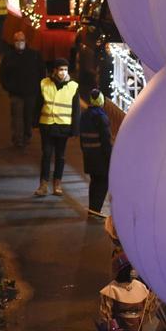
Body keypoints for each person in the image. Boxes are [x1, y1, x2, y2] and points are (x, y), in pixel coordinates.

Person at [35, 60, 79, 196]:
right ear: (54, 70)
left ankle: (57, 184)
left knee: (60, 156)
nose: (63, 72)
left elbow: (76, 110)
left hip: (63, 126)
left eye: (65, 69)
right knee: (46, 155)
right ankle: (43, 185)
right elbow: (38, 104)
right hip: (47, 125)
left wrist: (75, 129)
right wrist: (34, 122)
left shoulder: (73, 86)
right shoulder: (44, 83)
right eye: (60, 69)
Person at [0, 30, 44, 148]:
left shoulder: (34, 55)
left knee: (28, 116)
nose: (19, 42)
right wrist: (9, 87)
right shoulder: (9, 57)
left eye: (21, 40)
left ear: (25, 41)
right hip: (16, 94)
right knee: (17, 117)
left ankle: (27, 135)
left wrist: (38, 88)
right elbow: (3, 74)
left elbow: (41, 72)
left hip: (31, 92)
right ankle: (18, 139)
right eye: (17, 40)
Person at [78, 88, 113, 217]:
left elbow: (81, 138)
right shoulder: (101, 117)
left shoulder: (85, 115)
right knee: (103, 182)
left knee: (94, 182)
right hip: (100, 157)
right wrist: (111, 157)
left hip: (89, 154)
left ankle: (92, 208)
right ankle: (95, 210)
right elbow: (106, 141)